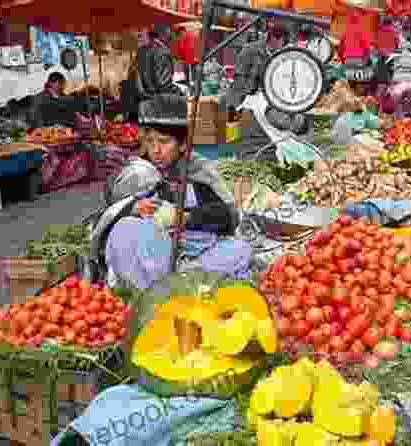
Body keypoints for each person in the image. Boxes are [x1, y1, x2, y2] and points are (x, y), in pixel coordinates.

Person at [90, 94, 251, 290]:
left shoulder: (197, 170)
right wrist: (133, 208)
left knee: (240, 250)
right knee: (125, 230)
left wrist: (184, 217)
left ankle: (178, 279)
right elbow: (108, 216)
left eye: (164, 141)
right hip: (150, 251)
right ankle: (161, 287)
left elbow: (228, 217)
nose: (156, 150)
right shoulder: (140, 172)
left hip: (191, 251)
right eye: (150, 141)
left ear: (183, 144)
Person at [222, 20, 309, 161]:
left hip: (266, 100)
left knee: (266, 136)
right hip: (245, 99)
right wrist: (242, 103)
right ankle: (237, 153)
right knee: (235, 136)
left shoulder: (282, 54)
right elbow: (239, 83)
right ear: (274, 38)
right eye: (282, 41)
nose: (283, 46)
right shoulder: (250, 51)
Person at [135, 25, 183, 98]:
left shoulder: (142, 51)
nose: (172, 35)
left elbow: (139, 79)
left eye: (140, 36)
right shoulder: (160, 51)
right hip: (157, 98)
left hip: (146, 97)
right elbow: (164, 82)